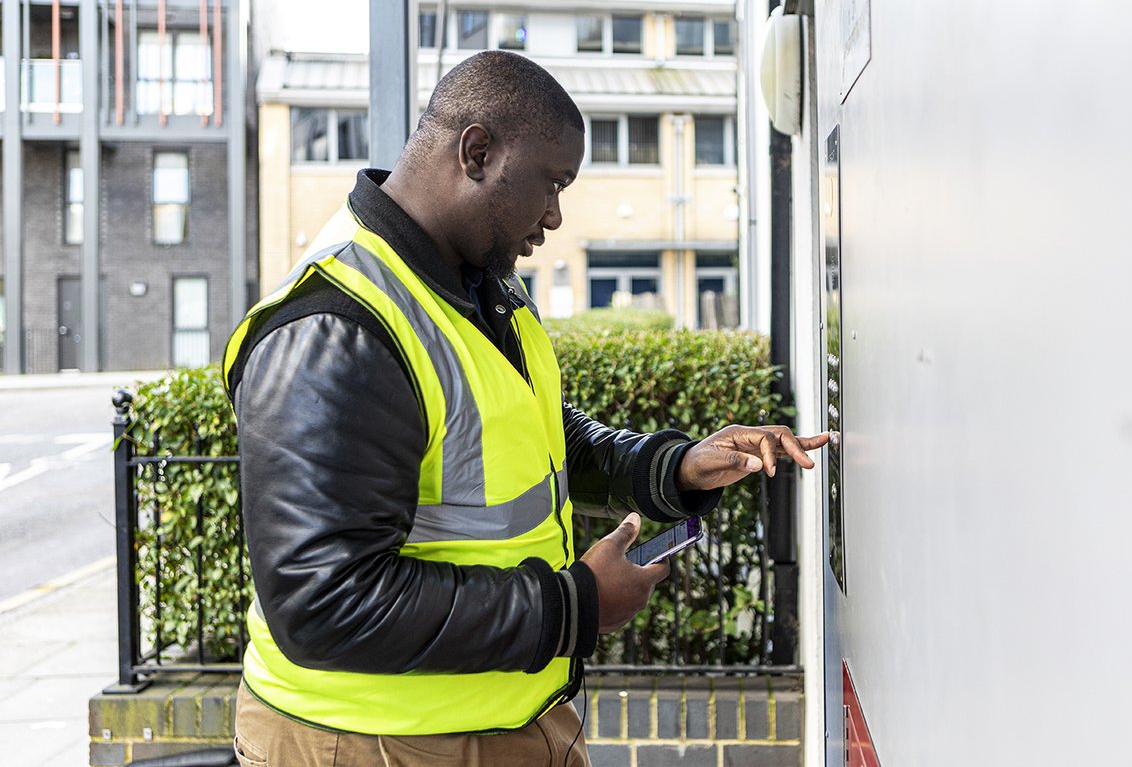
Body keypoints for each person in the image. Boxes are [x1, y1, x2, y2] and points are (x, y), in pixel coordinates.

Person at [222, 50, 829, 767]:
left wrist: (676, 467)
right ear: (476, 152)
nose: (555, 215)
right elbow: (324, 603)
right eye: (551, 183)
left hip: (503, 719)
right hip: (368, 744)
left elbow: (538, 439)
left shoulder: (478, 287)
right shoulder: (337, 330)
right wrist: (574, 606)